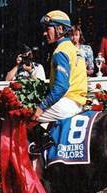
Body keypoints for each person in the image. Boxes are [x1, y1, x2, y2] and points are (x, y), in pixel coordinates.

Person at [30, 10, 87, 154]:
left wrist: (41, 107)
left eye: (47, 29)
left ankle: (40, 148)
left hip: (66, 103)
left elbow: (61, 87)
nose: (44, 33)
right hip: (77, 103)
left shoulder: (60, 52)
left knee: (25, 115)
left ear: (60, 29)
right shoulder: (73, 49)